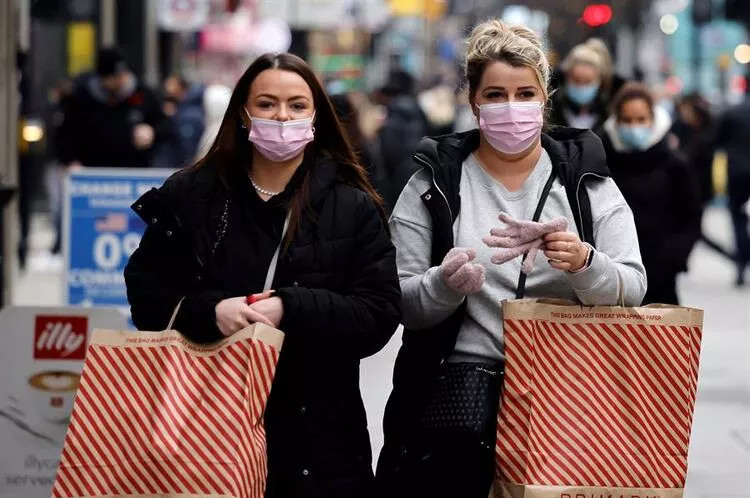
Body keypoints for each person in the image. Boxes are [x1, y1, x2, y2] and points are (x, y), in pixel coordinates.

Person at [375, 20, 646, 498]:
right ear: (473, 100)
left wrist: (584, 262)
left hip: (569, 401)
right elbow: (399, 300)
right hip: (455, 406)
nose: (511, 108)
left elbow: (632, 285)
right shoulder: (432, 184)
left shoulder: (587, 181)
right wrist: (443, 284)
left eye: (525, 93)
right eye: (495, 94)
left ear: (545, 96)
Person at [124, 53, 401, 497]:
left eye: (296, 105)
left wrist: (290, 306)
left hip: (319, 444)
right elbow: (146, 295)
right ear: (244, 114)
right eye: (267, 104)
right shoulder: (192, 195)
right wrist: (212, 312)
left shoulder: (352, 207)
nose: (282, 117)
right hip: (201, 430)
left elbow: (379, 314)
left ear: (316, 116)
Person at [602, 83, 701, 304]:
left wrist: (675, 256)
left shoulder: (674, 164)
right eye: (627, 120)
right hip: (612, 275)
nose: (634, 126)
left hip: (661, 274)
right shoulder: (601, 161)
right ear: (616, 121)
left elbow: (692, 214)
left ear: (652, 119)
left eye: (641, 119)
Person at [57, 48, 168, 168]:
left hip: (134, 171)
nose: (120, 81)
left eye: (122, 75)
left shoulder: (143, 95)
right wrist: (70, 161)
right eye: (114, 77)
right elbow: (65, 135)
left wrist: (152, 131)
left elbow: (164, 125)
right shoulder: (82, 98)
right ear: (102, 78)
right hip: (92, 172)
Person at [375, 69, 429, 213]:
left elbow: (390, 149)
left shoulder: (395, 114)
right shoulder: (417, 109)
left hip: (399, 173)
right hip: (417, 168)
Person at [716, 82, 750, 286]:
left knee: (738, 219)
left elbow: (717, 141)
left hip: (737, 172)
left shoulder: (732, 112)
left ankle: (741, 263)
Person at [549, 40, 611, 135]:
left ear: (599, 81)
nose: (581, 87)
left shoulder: (608, 115)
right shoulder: (550, 112)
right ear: (567, 78)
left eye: (588, 81)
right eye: (576, 80)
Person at [152, 75, 205, 168]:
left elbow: (188, 146)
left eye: (171, 84)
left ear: (180, 87)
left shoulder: (189, 114)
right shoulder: (177, 108)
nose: (167, 88)